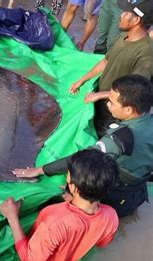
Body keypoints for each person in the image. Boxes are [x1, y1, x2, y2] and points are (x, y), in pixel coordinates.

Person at [14, 75, 153, 217]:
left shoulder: (118, 139)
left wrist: (41, 170)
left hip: (117, 193)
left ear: (129, 110)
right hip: (138, 187)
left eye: (111, 102)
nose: (107, 104)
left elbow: (83, 160)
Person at [0, 149, 119, 261]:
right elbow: (101, 243)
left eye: (67, 174)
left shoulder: (55, 223)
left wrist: (12, 217)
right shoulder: (112, 217)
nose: (66, 176)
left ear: (73, 188)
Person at [70, 0, 153, 136]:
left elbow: (135, 91)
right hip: (102, 98)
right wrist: (82, 80)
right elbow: (106, 62)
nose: (121, 15)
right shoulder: (123, 37)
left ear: (136, 20)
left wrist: (99, 95)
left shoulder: (146, 53)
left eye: (126, 13)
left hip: (115, 109)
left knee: (101, 140)